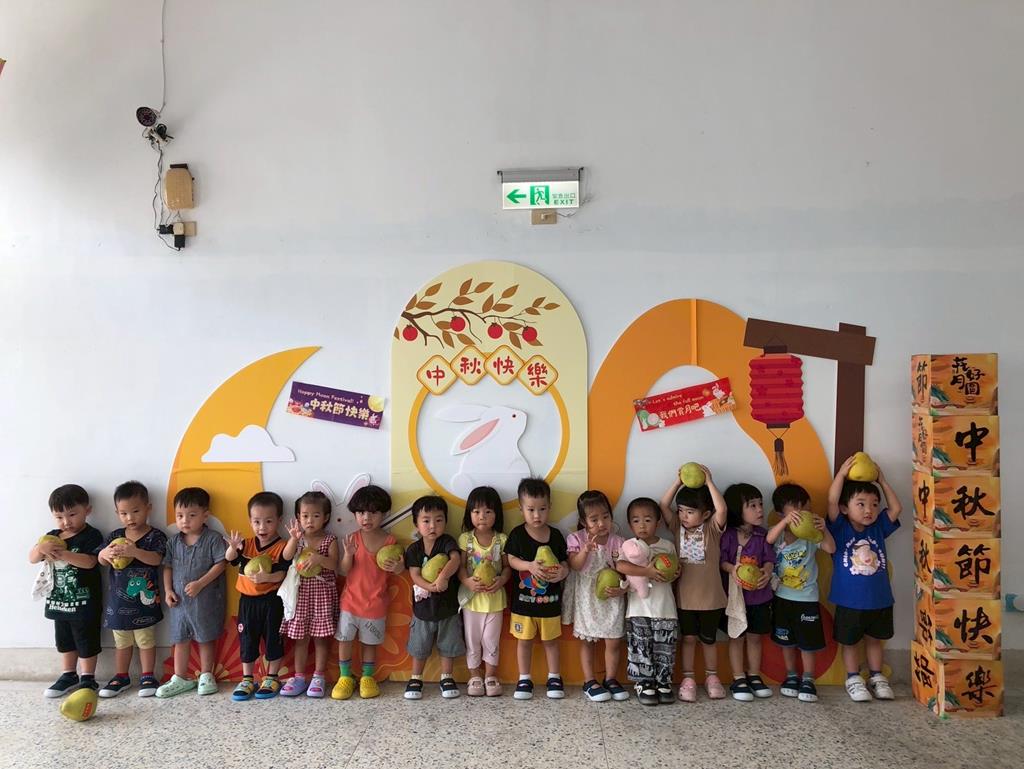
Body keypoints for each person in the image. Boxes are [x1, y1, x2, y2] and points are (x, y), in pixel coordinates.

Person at [827, 455, 902, 702]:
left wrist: (882, 481)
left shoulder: (878, 528)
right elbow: (831, 500)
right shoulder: (840, 528)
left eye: (874, 504)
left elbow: (896, 509)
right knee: (849, 643)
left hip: (880, 600)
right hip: (849, 602)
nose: (869, 510)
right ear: (845, 508)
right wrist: (841, 474)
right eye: (861, 504)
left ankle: (877, 677)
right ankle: (853, 679)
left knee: (874, 641)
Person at [661, 464, 728, 702]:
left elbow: (722, 509)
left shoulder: (712, 529)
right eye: (681, 511)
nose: (683, 516)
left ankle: (712, 677)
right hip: (685, 599)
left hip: (711, 599)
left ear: (706, 514)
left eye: (690, 512)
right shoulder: (677, 528)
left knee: (709, 640)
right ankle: (688, 679)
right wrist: (679, 481)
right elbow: (663, 505)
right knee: (688, 639)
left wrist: (709, 481)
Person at [29, 484, 103, 698]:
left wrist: (62, 553)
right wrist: (40, 549)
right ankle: (68, 674)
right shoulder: (51, 537)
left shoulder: (91, 535)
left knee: (86, 639)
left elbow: (90, 562)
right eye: (59, 517)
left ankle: (88, 678)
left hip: (85, 602)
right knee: (64, 640)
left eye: (72, 514)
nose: (66, 521)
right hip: (59, 601)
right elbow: (32, 559)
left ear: (87, 511)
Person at [332, 484, 404, 701]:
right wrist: (348, 554)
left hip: (375, 605)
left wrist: (398, 566)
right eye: (361, 512)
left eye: (373, 512)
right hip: (350, 603)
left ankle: (367, 677)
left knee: (369, 643)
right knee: (345, 640)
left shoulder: (390, 541)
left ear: (383, 514)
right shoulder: (352, 539)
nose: (366, 517)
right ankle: (345, 677)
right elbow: (343, 570)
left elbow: (399, 570)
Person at [96, 481, 167, 698]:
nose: (130, 518)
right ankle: (121, 676)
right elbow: (101, 560)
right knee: (121, 642)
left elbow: (157, 559)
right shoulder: (115, 536)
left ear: (148, 508)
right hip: (118, 603)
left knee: (146, 640)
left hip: (144, 603)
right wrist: (104, 554)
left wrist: (134, 552)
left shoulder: (156, 536)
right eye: (124, 513)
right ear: (117, 513)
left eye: (136, 511)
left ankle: (148, 676)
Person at [766, 482, 835, 703]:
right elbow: (768, 540)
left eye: (806, 509)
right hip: (782, 598)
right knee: (785, 641)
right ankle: (791, 675)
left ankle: (808, 678)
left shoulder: (810, 536)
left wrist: (823, 529)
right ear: (781, 513)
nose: (803, 514)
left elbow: (831, 548)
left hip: (807, 599)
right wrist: (784, 523)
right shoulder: (777, 534)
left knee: (807, 643)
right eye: (796, 509)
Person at [157, 487, 227, 698]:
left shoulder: (213, 539)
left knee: (205, 637)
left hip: (205, 602)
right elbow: (167, 567)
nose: (185, 520)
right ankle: (179, 677)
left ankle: (206, 674)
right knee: (180, 639)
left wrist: (200, 583)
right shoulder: (173, 542)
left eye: (192, 515)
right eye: (180, 515)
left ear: (205, 515)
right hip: (179, 604)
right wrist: (168, 590)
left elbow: (221, 564)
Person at [505, 477, 570, 701]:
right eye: (530, 509)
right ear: (520, 508)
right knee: (524, 642)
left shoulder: (556, 535)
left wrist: (563, 572)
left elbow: (565, 562)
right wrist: (529, 566)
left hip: (550, 604)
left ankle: (554, 677)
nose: (536, 515)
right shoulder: (517, 534)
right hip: (523, 605)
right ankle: (524, 678)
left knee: (551, 642)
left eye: (542, 509)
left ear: (549, 507)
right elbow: (511, 560)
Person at [224, 491, 290, 701]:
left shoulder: (282, 546)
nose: (262, 527)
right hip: (247, 602)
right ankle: (247, 678)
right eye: (257, 522)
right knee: (247, 638)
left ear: (279, 520)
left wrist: (267, 577)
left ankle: (272, 677)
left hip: (272, 601)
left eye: (268, 521)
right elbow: (230, 560)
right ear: (250, 521)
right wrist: (232, 548)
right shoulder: (246, 544)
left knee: (273, 638)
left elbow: (283, 572)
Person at [615, 497, 678, 706]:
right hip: (638, 608)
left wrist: (675, 572)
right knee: (640, 647)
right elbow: (621, 566)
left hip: (665, 608)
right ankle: (644, 683)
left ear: (658, 522)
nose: (642, 525)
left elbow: (676, 569)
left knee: (664, 647)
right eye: (636, 521)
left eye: (648, 520)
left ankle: (663, 682)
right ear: (629, 524)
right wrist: (646, 571)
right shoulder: (629, 546)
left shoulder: (667, 545)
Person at [566, 490, 628, 702]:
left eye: (605, 516)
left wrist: (623, 588)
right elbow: (575, 566)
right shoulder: (576, 538)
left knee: (613, 640)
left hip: (612, 596)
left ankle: (610, 679)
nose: (601, 523)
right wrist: (585, 550)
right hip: (587, 597)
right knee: (587, 640)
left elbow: (624, 570)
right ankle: (589, 681)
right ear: (584, 521)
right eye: (594, 519)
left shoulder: (619, 542)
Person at [279, 490, 339, 698]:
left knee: (321, 638)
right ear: (298, 517)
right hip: (301, 595)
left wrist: (319, 559)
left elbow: (334, 565)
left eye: (316, 515)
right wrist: (293, 539)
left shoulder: (330, 539)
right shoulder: (298, 538)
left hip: (322, 594)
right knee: (301, 638)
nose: (310, 520)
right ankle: (299, 677)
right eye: (305, 516)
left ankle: (319, 676)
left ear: (326, 517)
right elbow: (286, 556)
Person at [403, 495, 463, 700]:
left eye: (438, 520)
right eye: (426, 520)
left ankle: (446, 677)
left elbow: (455, 559)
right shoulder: (414, 549)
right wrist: (430, 586)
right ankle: (416, 678)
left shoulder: (447, 542)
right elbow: (414, 574)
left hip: (448, 608)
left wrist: (443, 577)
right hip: (422, 610)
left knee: (448, 644)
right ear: (416, 524)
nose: (432, 526)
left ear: (445, 521)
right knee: (419, 645)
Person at [720, 483, 776, 701]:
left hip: (759, 598)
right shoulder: (728, 535)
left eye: (760, 504)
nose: (760, 509)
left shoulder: (763, 535)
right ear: (737, 509)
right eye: (752, 505)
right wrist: (732, 569)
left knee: (754, 638)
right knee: (736, 637)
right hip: (735, 599)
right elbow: (722, 561)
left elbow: (770, 559)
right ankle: (738, 678)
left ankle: (754, 675)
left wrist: (767, 572)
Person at [457, 486, 511, 697]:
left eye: (488, 511)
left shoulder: (502, 539)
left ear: (496, 514)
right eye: (477, 511)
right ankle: (474, 676)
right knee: (472, 640)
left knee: (491, 640)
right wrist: (467, 581)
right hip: (471, 600)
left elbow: (506, 567)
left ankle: (490, 675)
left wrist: (502, 580)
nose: (482, 516)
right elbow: (461, 567)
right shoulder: (465, 539)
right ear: (469, 514)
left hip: (495, 599)